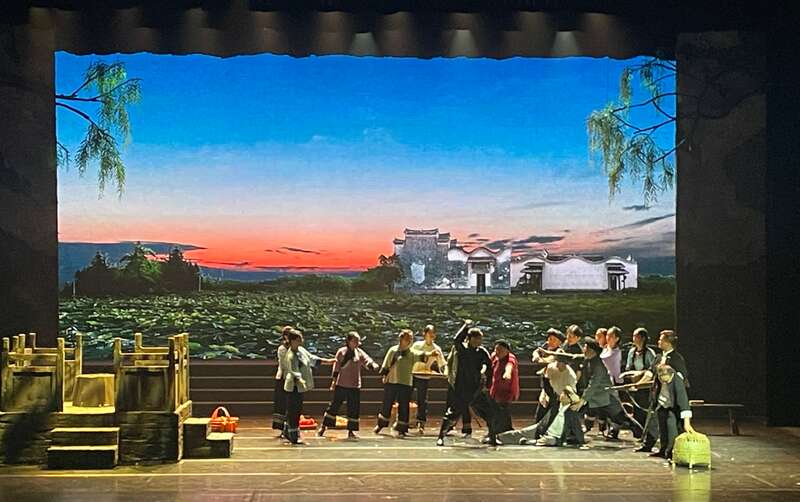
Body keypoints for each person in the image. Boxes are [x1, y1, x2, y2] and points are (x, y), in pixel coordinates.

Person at [436, 321, 496, 447]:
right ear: (470, 339)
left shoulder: (481, 351)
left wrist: (485, 376)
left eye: (480, 339)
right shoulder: (462, 350)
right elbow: (456, 340)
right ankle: (441, 437)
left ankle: (493, 437)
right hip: (462, 388)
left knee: (489, 413)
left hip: (476, 388)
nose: (479, 341)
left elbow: (488, 365)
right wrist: (466, 326)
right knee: (452, 413)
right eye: (477, 339)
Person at [633, 330, 691, 453]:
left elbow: (682, 376)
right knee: (656, 422)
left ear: (667, 342)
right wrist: (639, 384)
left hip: (671, 399)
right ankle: (655, 447)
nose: (658, 341)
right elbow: (650, 373)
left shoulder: (676, 358)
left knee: (671, 426)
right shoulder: (658, 357)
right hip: (659, 396)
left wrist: (671, 382)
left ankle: (671, 450)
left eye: (661, 339)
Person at [576, 337, 643, 440]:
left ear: (591, 350)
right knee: (584, 412)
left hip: (606, 397)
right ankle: (578, 432)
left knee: (621, 418)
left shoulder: (599, 365)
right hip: (595, 397)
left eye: (585, 347)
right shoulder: (588, 361)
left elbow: (594, 384)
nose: (583, 349)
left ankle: (642, 435)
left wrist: (583, 399)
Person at [318, 332, 380, 440]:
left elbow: (367, 360)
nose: (357, 343)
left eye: (358, 341)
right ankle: (324, 426)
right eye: (354, 341)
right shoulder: (341, 352)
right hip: (342, 384)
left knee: (353, 408)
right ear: (349, 341)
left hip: (354, 385)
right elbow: (336, 367)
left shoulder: (359, 352)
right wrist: (334, 381)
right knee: (334, 406)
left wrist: (373, 365)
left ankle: (351, 431)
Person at [282, 329, 335, 445]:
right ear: (292, 341)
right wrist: (300, 379)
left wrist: (327, 361)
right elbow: (294, 370)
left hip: (300, 387)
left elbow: (312, 359)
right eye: (298, 339)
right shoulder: (291, 355)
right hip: (294, 387)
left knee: (295, 409)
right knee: (294, 411)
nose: (301, 341)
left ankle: (287, 431)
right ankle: (294, 436)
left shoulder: (301, 350)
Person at [374, 329, 429, 438]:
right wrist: (384, 375)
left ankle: (402, 428)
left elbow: (422, 356)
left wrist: (431, 354)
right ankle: (381, 424)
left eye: (411, 339)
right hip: (392, 381)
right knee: (387, 404)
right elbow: (386, 365)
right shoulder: (393, 350)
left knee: (404, 406)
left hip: (405, 383)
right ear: (401, 339)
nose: (409, 341)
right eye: (407, 338)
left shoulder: (412, 353)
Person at [498, 384, 585, 447]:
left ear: (568, 398)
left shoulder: (571, 413)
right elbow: (548, 389)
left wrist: (572, 441)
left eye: (564, 394)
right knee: (521, 432)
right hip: (542, 428)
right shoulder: (556, 406)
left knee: (549, 441)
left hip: (554, 437)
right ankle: (498, 438)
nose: (561, 395)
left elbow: (577, 430)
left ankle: (532, 442)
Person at [650, 364, 694, 459]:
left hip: (672, 408)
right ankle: (663, 450)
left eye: (666, 381)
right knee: (663, 430)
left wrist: (687, 423)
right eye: (661, 379)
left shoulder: (677, 381)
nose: (663, 382)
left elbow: (683, 402)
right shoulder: (659, 378)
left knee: (672, 430)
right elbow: (655, 390)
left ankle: (671, 453)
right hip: (662, 406)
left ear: (671, 375)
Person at [410, 324, 446, 435]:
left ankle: (421, 423)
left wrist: (445, 373)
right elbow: (411, 357)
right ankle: (403, 421)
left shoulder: (437, 349)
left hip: (424, 376)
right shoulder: (417, 345)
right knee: (406, 397)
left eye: (433, 333)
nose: (431, 335)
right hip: (412, 374)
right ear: (424, 334)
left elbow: (442, 364)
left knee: (422, 400)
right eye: (429, 333)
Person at [625, 327, 657, 438]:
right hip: (635, 384)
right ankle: (638, 433)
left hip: (646, 386)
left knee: (645, 410)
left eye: (636, 336)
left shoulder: (649, 353)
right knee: (636, 409)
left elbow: (652, 369)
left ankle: (647, 434)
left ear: (642, 338)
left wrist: (641, 375)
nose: (633, 338)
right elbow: (628, 367)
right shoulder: (632, 352)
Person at [532, 328, 566, 421]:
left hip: (555, 387)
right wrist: (536, 356)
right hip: (546, 385)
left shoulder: (559, 351)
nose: (550, 342)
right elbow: (536, 352)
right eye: (549, 339)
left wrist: (540, 360)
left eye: (554, 340)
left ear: (559, 342)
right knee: (541, 412)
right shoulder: (546, 347)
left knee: (551, 412)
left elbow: (550, 360)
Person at [489, 340, 520, 437]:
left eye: (501, 350)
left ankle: (507, 431)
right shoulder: (494, 356)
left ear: (507, 351)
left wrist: (507, 373)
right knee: (495, 411)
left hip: (507, 390)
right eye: (496, 350)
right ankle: (495, 431)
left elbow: (509, 366)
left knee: (504, 411)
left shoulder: (511, 358)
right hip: (496, 389)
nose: (498, 352)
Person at [271, 326, 293, 436]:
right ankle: (282, 428)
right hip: (283, 378)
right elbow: (285, 364)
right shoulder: (282, 349)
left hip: (292, 379)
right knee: (281, 404)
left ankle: (290, 427)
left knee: (291, 404)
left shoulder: (297, 348)